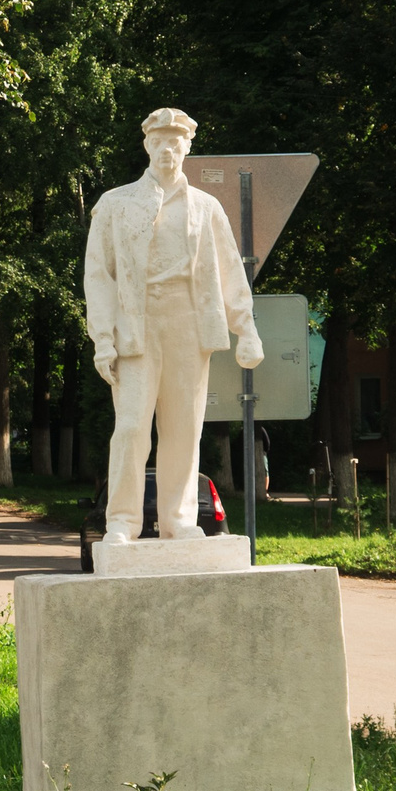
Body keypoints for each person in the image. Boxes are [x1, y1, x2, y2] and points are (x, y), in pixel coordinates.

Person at [83, 107, 264, 546]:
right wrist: (102, 338)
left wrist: (246, 329)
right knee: (131, 428)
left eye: (175, 141)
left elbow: (229, 271)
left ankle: (179, 521)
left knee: (184, 429)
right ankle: (122, 521)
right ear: (147, 145)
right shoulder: (115, 203)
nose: (167, 149)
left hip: (188, 322)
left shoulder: (206, 207)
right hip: (135, 326)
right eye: (159, 141)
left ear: (187, 147)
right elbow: (98, 275)